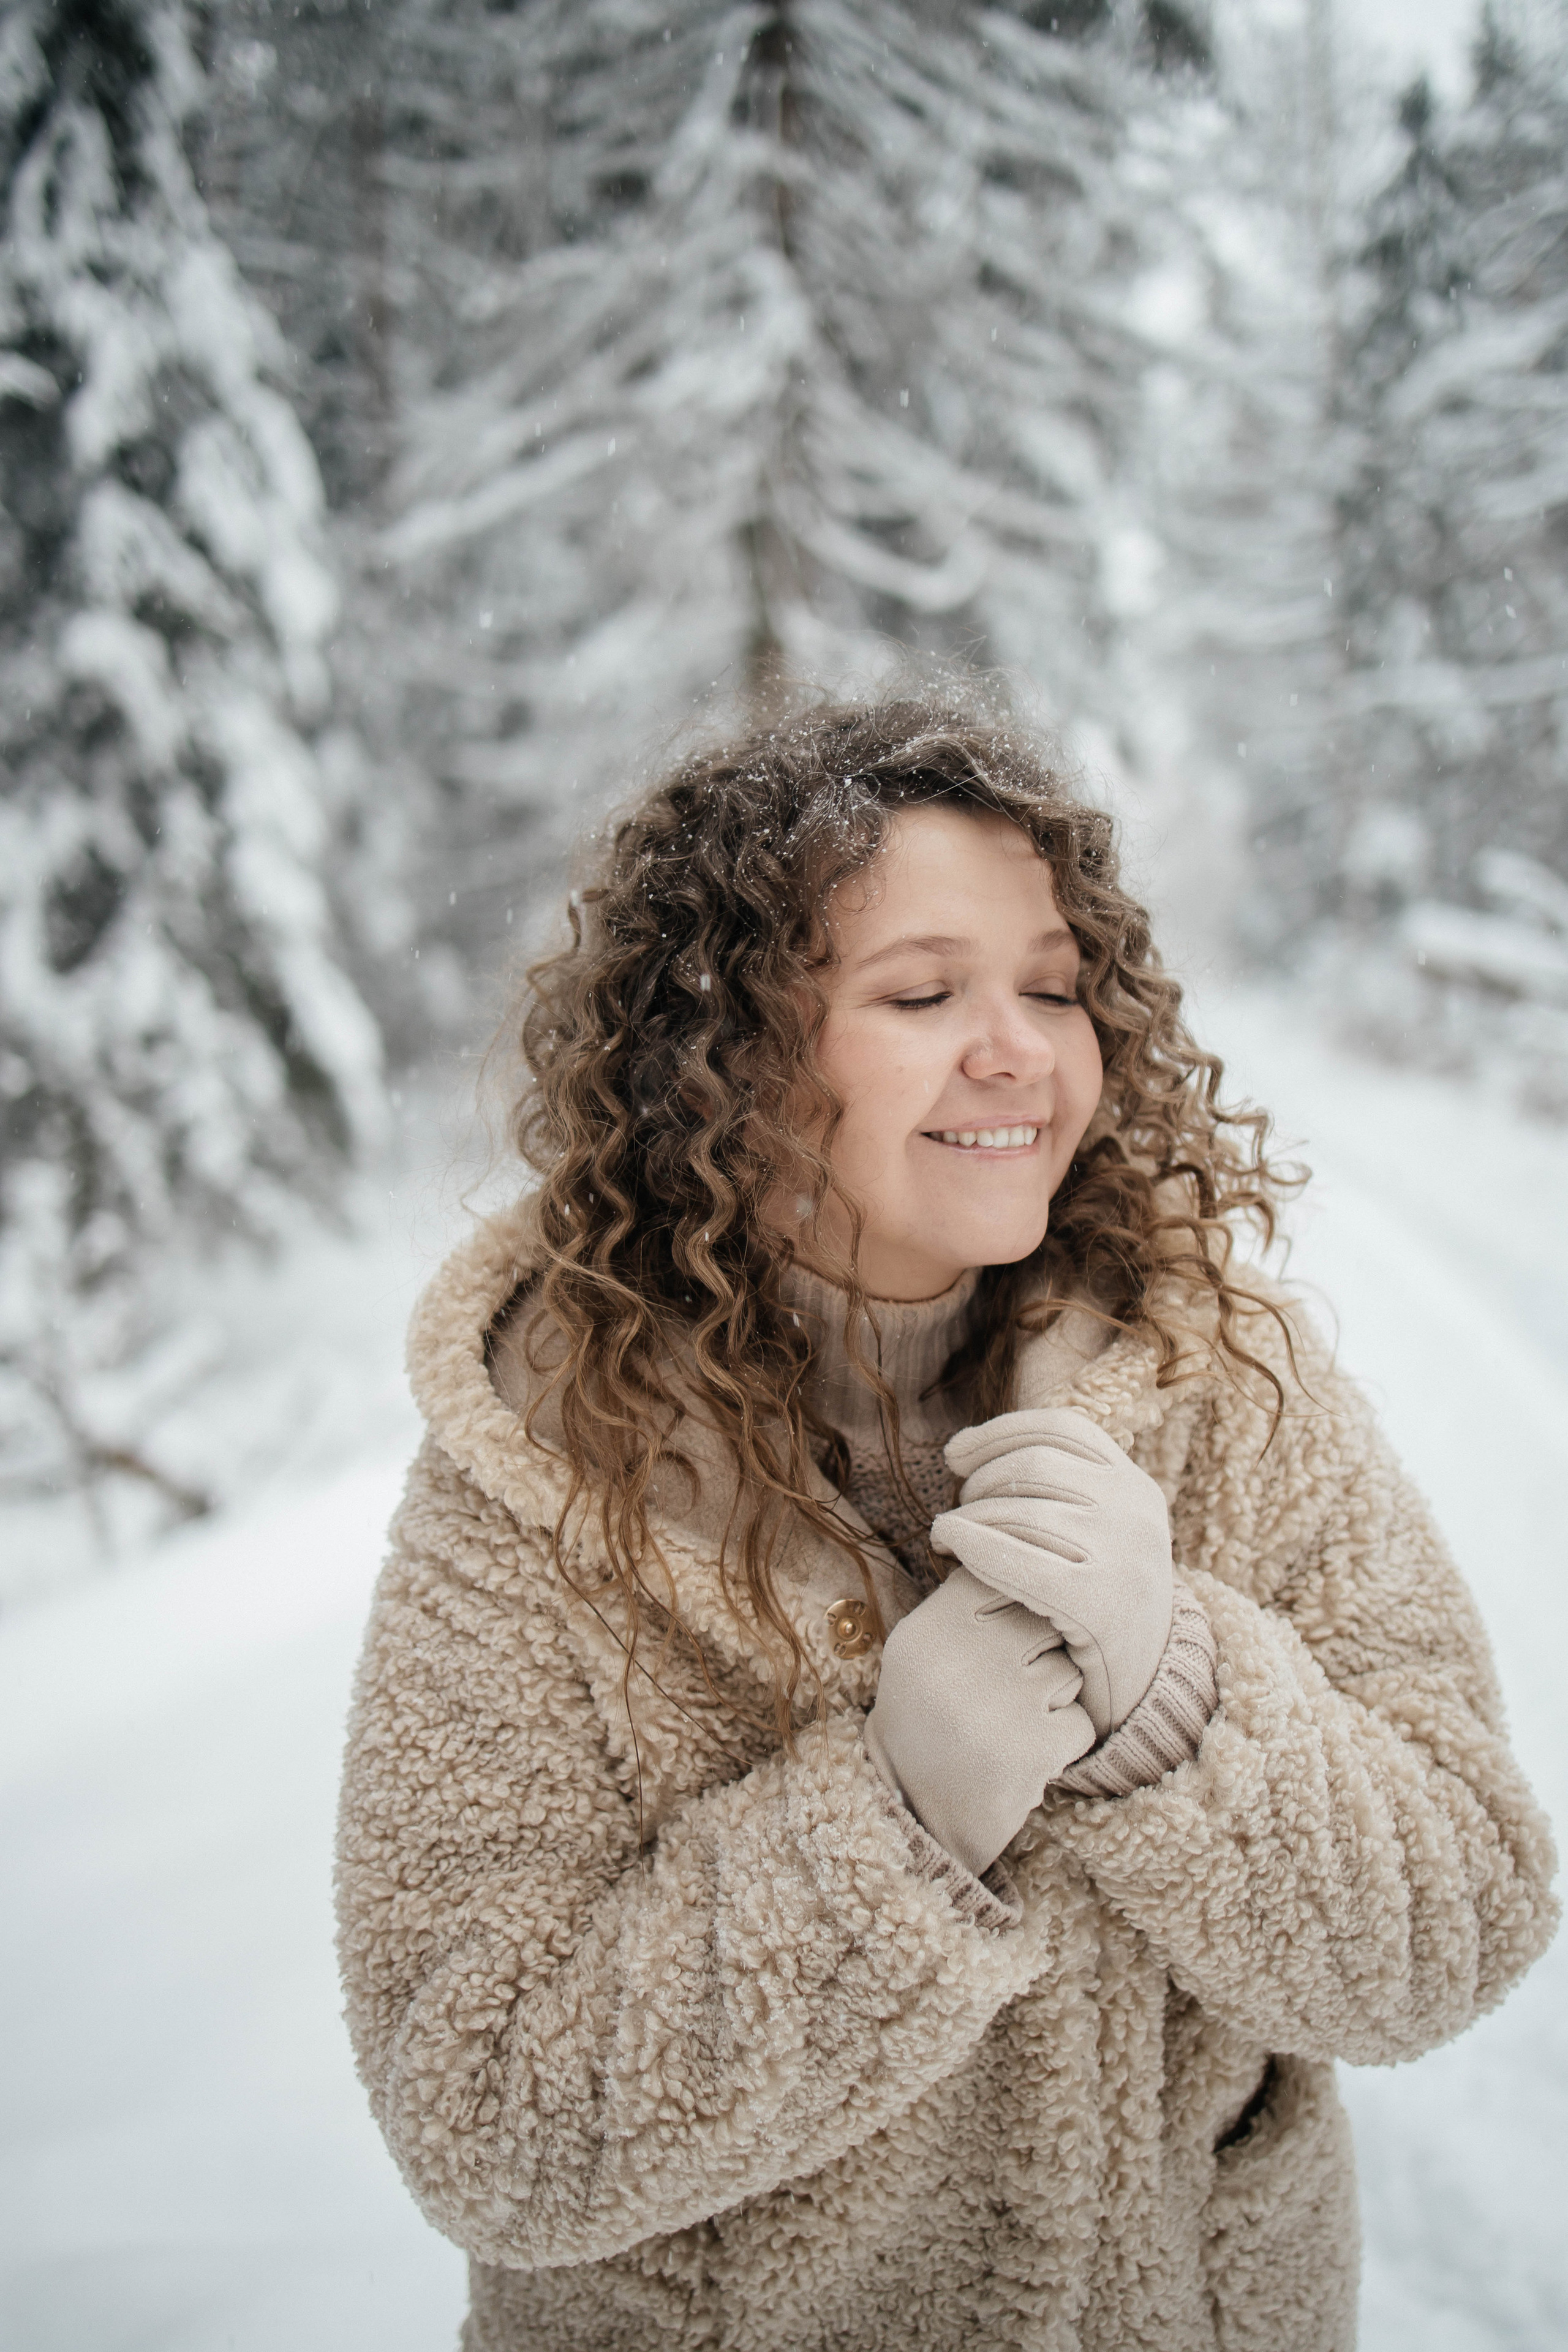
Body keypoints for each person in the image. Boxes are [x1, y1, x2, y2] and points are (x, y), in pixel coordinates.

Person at [335, 693, 1557, 2352]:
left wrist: (1174, 1697)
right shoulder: (544, 1475)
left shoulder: (1219, 1376)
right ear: (724, 1057)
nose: (1021, 1050)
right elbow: (487, 2122)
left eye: (1053, 986)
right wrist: (893, 1826)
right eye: (922, 994)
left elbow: (1461, 1920)